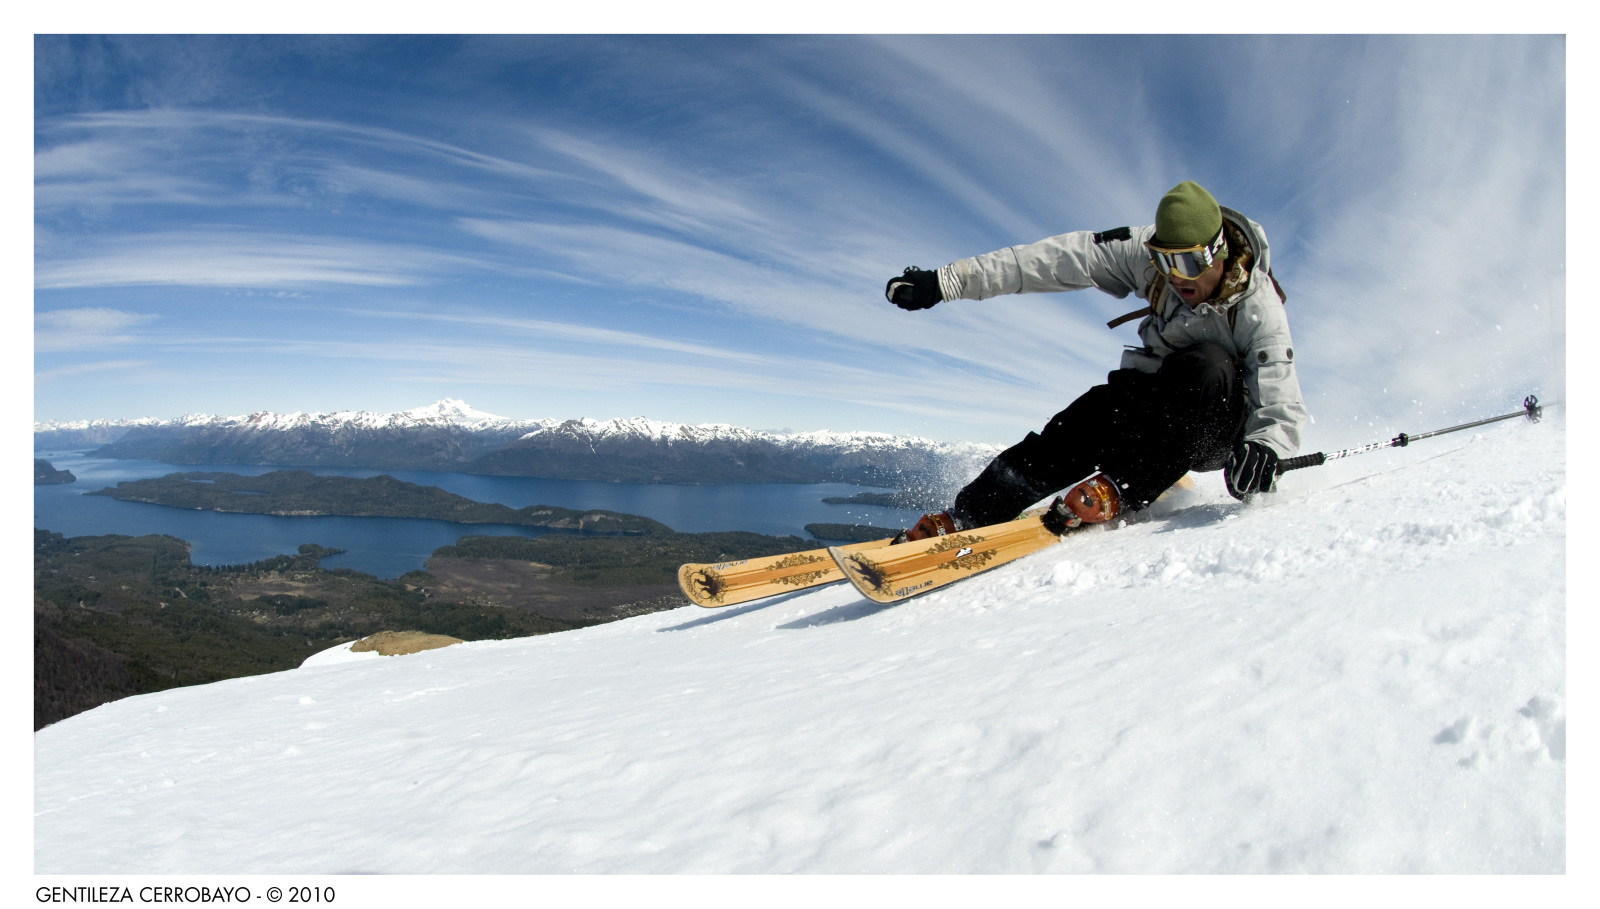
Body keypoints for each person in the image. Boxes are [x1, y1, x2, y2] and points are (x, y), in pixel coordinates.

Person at [885, 180, 1308, 541]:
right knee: (1084, 422)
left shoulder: (1259, 308)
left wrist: (1265, 448)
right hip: (1159, 401)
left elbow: (1280, 396)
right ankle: (972, 515)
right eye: (1165, 261)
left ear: (1217, 253)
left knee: (1207, 364)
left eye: (1189, 262)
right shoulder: (1145, 256)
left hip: (1215, 426)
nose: (1177, 277)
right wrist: (947, 282)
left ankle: (1123, 487)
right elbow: (1057, 259)